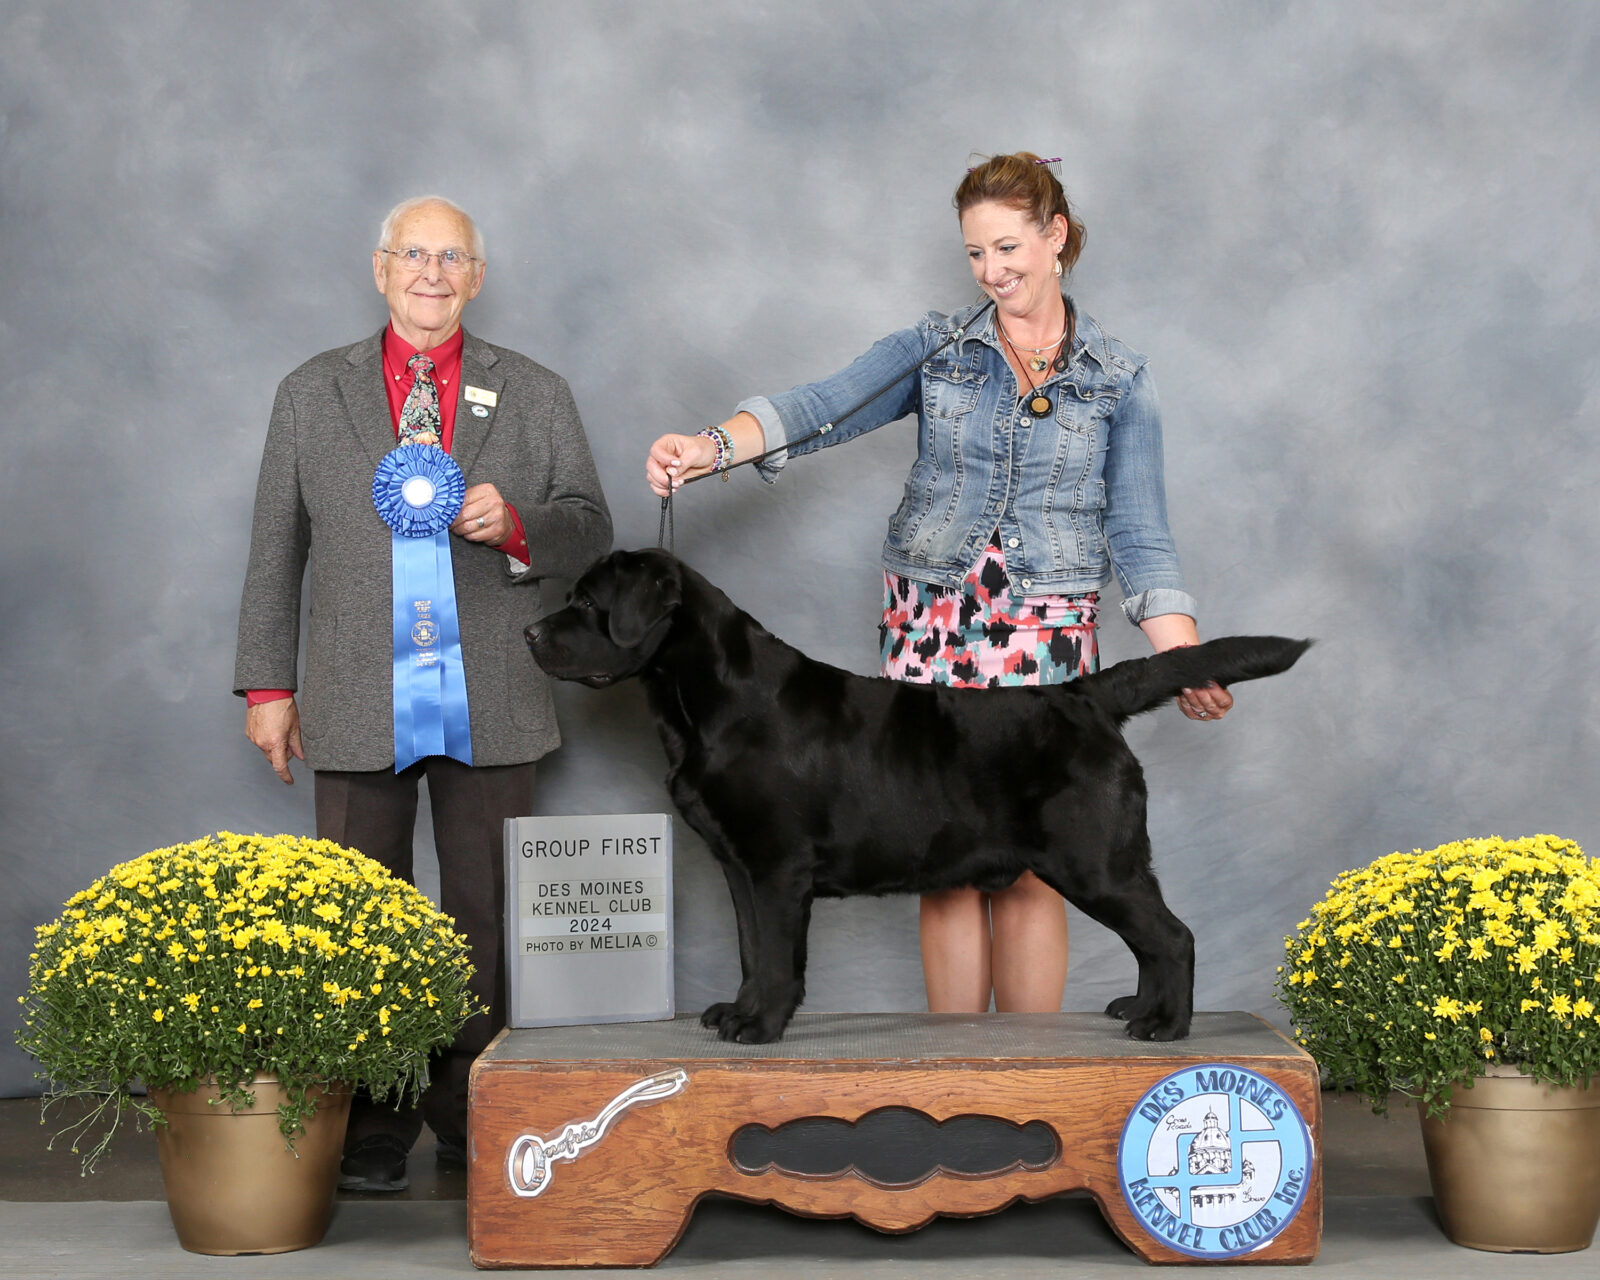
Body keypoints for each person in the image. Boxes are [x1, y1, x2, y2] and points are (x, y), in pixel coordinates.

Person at [645, 153, 1231, 1019]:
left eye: (1007, 248)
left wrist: (1183, 658)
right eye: (974, 255)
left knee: (1036, 866)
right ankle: (951, 1069)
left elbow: (1141, 532)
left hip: (1046, 627)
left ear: (1056, 236)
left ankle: (1029, 1074)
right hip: (935, 623)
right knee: (942, 863)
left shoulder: (1120, 377)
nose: (992, 273)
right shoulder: (936, 349)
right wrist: (710, 447)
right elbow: (820, 407)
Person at [235, 195, 611, 1191]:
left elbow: (590, 525)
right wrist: (268, 684)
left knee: (481, 914)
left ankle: (473, 1111)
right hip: (354, 694)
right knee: (361, 919)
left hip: (492, 692)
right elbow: (276, 549)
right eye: (416, 254)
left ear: (476, 278)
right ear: (380, 268)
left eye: (453, 257)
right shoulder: (312, 392)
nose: (432, 272)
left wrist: (521, 521)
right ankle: (367, 1126)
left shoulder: (533, 390)